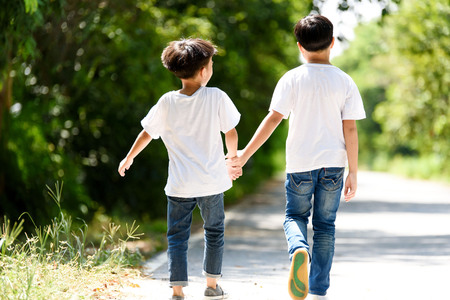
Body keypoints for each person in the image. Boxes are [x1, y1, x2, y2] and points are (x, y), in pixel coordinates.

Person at [229, 15, 366, 300]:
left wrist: (243, 155)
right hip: (333, 165)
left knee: (295, 216)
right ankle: (318, 290)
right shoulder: (345, 81)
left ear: (300, 47)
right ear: (331, 43)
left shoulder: (292, 78)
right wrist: (353, 171)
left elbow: (273, 119)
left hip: (300, 164)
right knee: (326, 226)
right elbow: (350, 128)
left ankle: (299, 249)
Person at [118, 38, 241, 300]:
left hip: (179, 185)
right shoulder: (216, 97)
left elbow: (147, 134)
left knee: (176, 236)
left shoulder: (167, 102)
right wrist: (232, 159)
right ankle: (211, 285)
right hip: (212, 182)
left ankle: (177, 290)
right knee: (214, 231)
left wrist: (129, 157)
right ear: (203, 71)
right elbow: (231, 133)